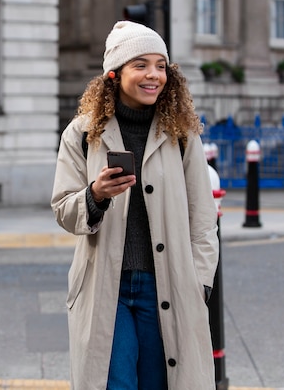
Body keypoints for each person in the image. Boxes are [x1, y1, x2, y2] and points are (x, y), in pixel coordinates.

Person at [50, 21, 220, 390]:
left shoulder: (182, 134)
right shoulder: (81, 133)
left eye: (161, 66)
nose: (153, 75)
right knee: (115, 383)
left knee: (163, 382)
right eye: (141, 64)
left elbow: (203, 220)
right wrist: (95, 195)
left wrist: (200, 283)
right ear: (115, 73)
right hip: (105, 287)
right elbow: (64, 208)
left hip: (168, 283)